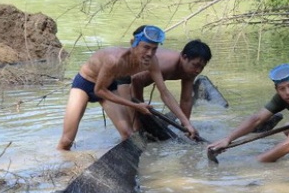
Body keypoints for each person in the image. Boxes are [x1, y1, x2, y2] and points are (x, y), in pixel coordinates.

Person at [57, 25, 199, 150]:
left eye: (154, 49)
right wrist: (135, 106)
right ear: (133, 44)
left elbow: (165, 93)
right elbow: (98, 91)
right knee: (66, 141)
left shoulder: (152, 61)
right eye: (146, 47)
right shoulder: (115, 60)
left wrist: (186, 123)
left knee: (128, 135)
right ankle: (61, 165)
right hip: (85, 84)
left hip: (109, 87)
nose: (150, 53)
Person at [121, 37, 212, 123]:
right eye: (195, 65)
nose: (198, 70)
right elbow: (136, 80)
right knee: (136, 124)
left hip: (135, 81)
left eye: (201, 67)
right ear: (184, 57)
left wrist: (185, 126)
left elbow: (186, 100)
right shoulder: (168, 65)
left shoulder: (190, 72)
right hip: (122, 78)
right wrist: (140, 107)